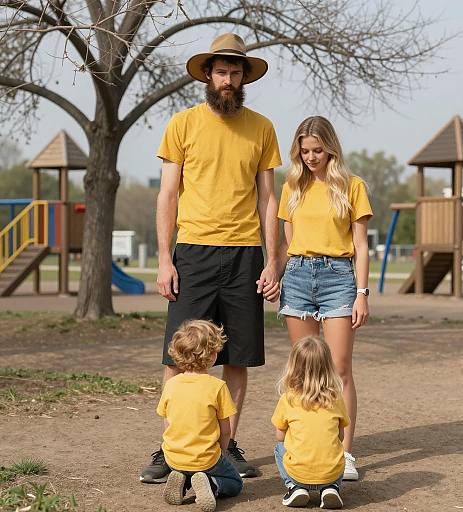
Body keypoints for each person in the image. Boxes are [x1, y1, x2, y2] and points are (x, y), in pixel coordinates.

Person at [140, 32, 282, 484]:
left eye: (235, 71)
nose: (228, 78)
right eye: (220, 71)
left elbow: (269, 200)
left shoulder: (261, 127)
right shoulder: (182, 124)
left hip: (244, 254)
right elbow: (167, 194)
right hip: (193, 253)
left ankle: (224, 448)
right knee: (177, 357)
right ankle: (172, 445)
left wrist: (273, 260)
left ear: (244, 77)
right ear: (207, 75)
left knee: (237, 355)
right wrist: (165, 259)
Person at [277, 116, 373, 481]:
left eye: (318, 150)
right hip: (299, 276)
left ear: (331, 148)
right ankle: (304, 449)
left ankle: (344, 453)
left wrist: (362, 294)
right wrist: (276, 275)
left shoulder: (352, 186)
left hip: (339, 278)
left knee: (340, 368)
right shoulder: (292, 186)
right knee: (304, 370)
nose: (312, 157)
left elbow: (361, 247)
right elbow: (289, 244)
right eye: (305, 151)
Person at [158, 320, 243, 512]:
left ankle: (182, 477)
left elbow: (167, 423)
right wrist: (221, 452)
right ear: (212, 355)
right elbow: (225, 429)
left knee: (188, 467)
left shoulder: (171, 385)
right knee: (235, 482)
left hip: (173, 456)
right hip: (206, 459)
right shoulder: (217, 387)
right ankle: (212, 485)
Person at [271, 336, 350, 509]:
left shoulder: (288, 399)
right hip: (331, 472)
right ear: (328, 367)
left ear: (293, 366)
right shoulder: (336, 399)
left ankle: (295, 487)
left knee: (279, 448)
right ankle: (331, 487)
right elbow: (341, 435)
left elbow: (279, 436)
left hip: (298, 472)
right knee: (337, 448)